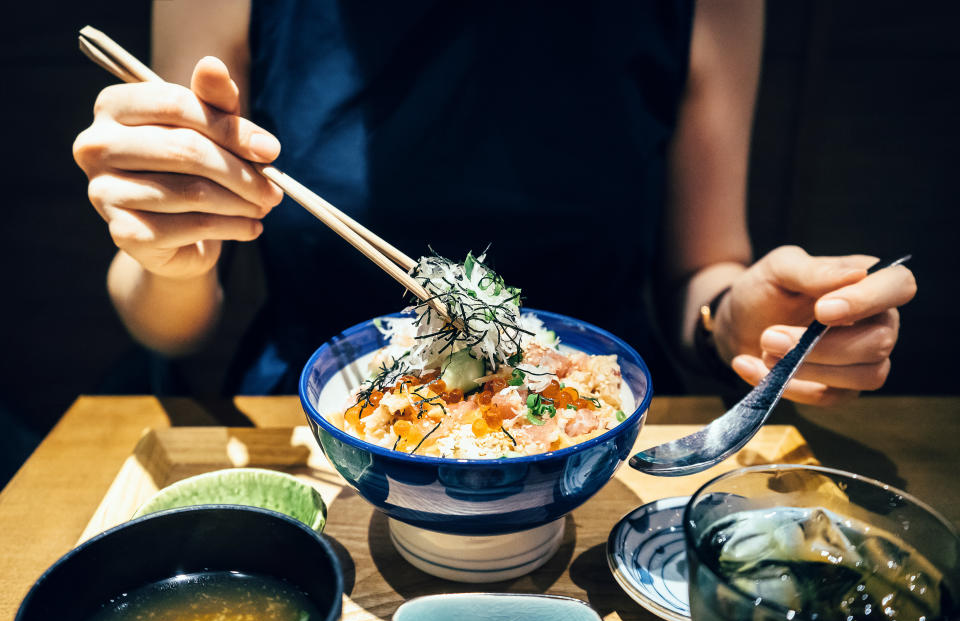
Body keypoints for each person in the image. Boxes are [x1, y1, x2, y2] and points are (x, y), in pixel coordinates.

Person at [73, 0, 916, 404]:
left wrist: (742, 321)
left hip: (596, 431)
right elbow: (168, 321)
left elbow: (703, 270)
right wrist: (165, 254)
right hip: (311, 420)